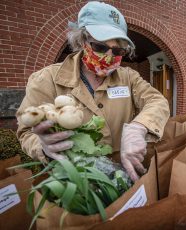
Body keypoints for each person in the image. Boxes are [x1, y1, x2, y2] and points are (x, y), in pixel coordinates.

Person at [16, 1, 170, 181]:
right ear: (81, 41)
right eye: (100, 47)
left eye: (118, 50)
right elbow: (26, 132)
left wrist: (138, 127)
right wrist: (43, 147)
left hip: (123, 174)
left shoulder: (129, 77)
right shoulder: (46, 79)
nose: (109, 56)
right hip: (74, 179)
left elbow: (157, 101)